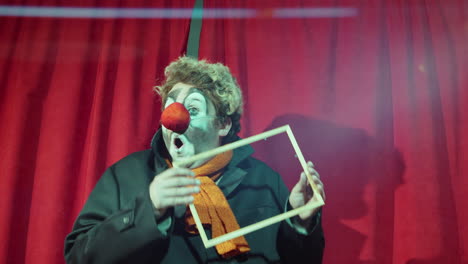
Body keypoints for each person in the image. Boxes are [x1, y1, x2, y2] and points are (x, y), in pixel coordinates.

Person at [64, 56, 325, 263]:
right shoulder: (126, 175)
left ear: (223, 124)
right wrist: (149, 210)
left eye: (193, 109)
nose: (173, 118)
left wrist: (300, 223)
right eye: (169, 106)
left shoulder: (264, 181)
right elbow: (80, 257)